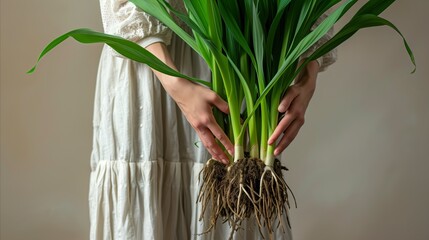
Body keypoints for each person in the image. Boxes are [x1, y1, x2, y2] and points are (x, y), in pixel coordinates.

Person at [90, 0, 336, 239]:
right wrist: (175, 83)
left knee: (240, 201)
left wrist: (308, 72)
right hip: (152, 61)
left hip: (240, 59)